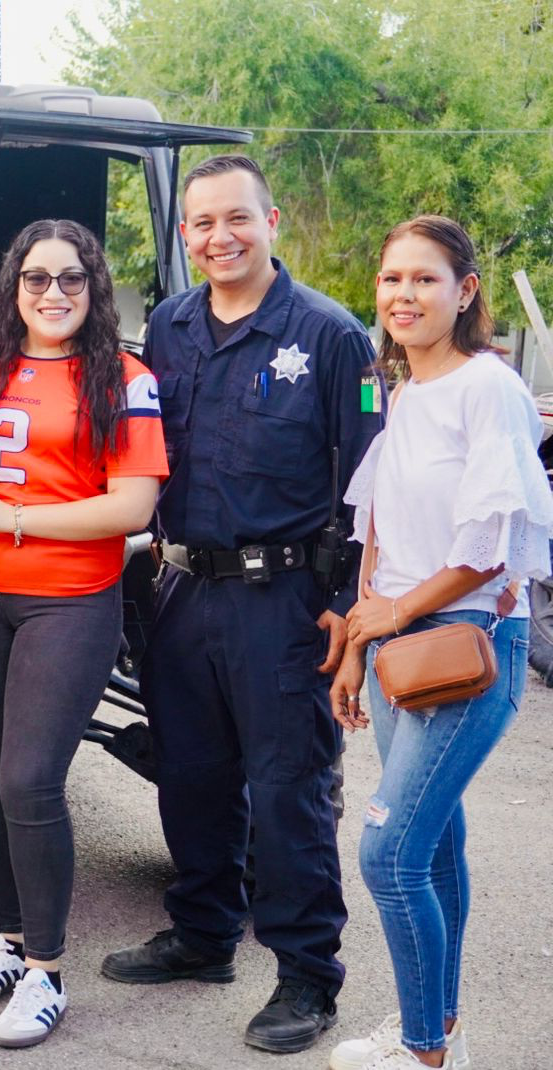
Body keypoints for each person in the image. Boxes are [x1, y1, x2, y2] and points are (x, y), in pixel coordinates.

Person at [98, 154, 382, 1054]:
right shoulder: (170, 329)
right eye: (202, 224)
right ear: (183, 234)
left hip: (285, 599)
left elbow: (372, 485)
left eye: (237, 220)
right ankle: (203, 934)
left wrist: (349, 603)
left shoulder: (330, 337)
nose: (219, 238)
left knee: (289, 788)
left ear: (272, 223)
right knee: (193, 775)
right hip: (181, 589)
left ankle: (306, 978)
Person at [0, 220, 167, 1047]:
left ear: (95, 287)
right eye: (37, 279)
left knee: (32, 781)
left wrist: (13, 515)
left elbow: (133, 507)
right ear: (14, 287)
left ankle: (48, 973)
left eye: (71, 278)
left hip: (68, 601)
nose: (54, 293)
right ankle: (10, 941)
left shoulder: (125, 377)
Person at [326, 216, 551, 1070]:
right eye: (392, 280)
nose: (405, 296)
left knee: (388, 853)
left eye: (426, 279)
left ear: (466, 293)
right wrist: (357, 641)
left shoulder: (485, 388)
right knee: (437, 842)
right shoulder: (407, 395)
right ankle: (443, 1028)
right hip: (395, 644)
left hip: (465, 642)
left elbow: (488, 549)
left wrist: (391, 619)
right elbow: (377, 536)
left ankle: (420, 1050)